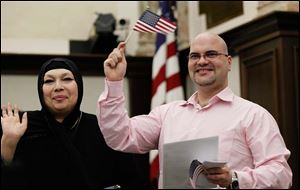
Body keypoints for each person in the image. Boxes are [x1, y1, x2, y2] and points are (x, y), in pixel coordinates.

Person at [96, 32, 293, 189]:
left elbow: (282, 175)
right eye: (194, 56)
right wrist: (114, 82)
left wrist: (235, 179)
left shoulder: (253, 115)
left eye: (211, 54)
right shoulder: (167, 114)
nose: (201, 61)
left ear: (229, 62)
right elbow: (120, 136)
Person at [1, 58, 151, 189]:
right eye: (49, 81)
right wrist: (8, 141)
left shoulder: (104, 128)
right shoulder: (21, 125)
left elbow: (134, 182)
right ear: (41, 90)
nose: (58, 86)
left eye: (67, 79)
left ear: (79, 85)